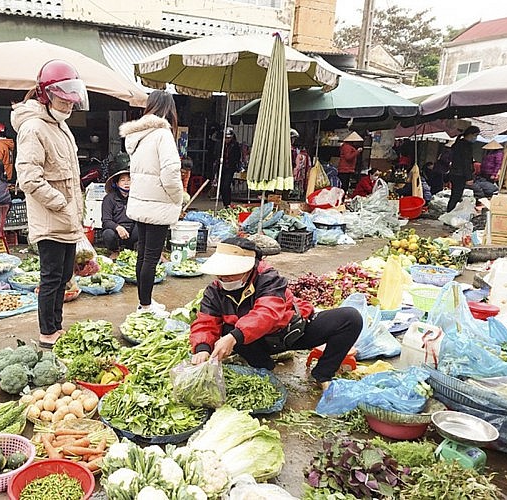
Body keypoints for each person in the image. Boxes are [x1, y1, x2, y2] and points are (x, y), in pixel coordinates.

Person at [189, 238, 362, 388]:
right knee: (228, 329)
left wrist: (234, 336)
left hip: (291, 332)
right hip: (256, 344)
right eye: (221, 273)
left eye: (230, 273)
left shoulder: (269, 280)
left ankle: (322, 374)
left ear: (249, 269)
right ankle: (265, 368)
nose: (223, 277)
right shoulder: (214, 291)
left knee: (350, 319)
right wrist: (202, 348)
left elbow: (267, 313)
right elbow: (205, 323)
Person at [11, 59, 87, 348]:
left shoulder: (61, 127)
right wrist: (59, 203)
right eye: (62, 100)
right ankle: (47, 333)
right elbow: (29, 178)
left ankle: (57, 326)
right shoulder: (33, 128)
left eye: (71, 101)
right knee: (52, 278)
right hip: (50, 218)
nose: (68, 105)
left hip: (66, 218)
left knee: (65, 277)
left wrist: (74, 212)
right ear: (45, 95)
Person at [119, 90, 183, 313]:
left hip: (141, 203)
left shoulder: (137, 136)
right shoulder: (162, 134)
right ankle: (145, 305)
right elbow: (171, 171)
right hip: (158, 205)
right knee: (151, 257)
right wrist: (178, 198)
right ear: (168, 109)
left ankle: (143, 302)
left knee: (143, 254)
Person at [100, 169, 138, 259]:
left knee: (143, 226)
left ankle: (134, 249)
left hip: (133, 231)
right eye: (122, 180)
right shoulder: (109, 199)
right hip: (117, 232)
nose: (126, 183)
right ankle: (115, 251)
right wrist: (117, 227)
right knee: (108, 233)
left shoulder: (136, 197)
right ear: (117, 183)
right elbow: (106, 221)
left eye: (129, 180)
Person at [447, 125, 479, 212]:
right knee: (456, 196)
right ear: (470, 134)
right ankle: (449, 214)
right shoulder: (465, 146)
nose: (476, 137)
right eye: (475, 135)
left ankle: (450, 213)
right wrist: (469, 177)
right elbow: (466, 163)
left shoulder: (458, 144)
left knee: (455, 195)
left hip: (454, 173)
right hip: (459, 174)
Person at [219, 127, 241, 207]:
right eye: (225, 138)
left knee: (226, 185)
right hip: (222, 167)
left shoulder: (235, 145)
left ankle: (227, 203)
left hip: (230, 168)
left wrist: (235, 164)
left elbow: (237, 156)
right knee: (221, 186)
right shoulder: (221, 145)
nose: (227, 140)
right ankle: (225, 202)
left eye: (228, 138)